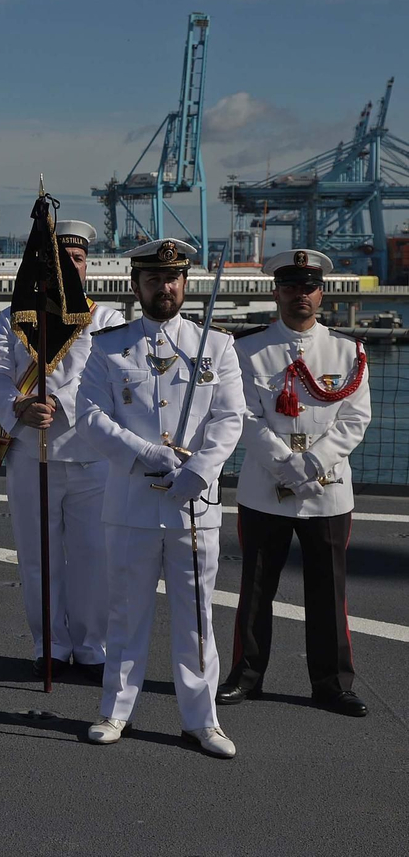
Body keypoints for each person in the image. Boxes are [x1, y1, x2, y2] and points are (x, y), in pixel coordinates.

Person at [76, 238, 245, 758]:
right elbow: (89, 417)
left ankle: (202, 719)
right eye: (153, 279)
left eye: (172, 279)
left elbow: (229, 418)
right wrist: (146, 452)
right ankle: (114, 710)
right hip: (131, 502)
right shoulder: (106, 347)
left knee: (196, 616)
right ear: (136, 286)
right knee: (125, 613)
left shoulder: (215, 345)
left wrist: (200, 470)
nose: (163, 287)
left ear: (185, 285)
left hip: (194, 504)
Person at [219, 249, 372, 718]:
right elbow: (241, 415)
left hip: (327, 489)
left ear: (321, 292)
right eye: (289, 286)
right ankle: (247, 676)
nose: (299, 296)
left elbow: (355, 418)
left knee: (329, 592)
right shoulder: (244, 349)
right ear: (276, 291)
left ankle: (332, 684)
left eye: (307, 287)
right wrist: (284, 463)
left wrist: (311, 463)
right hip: (267, 486)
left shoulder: (349, 350)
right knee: (257, 586)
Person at [0, 219, 125, 680]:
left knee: (93, 559)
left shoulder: (107, 319)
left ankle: (91, 644)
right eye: (63, 260)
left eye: (79, 260)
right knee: (38, 556)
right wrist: (16, 405)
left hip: (91, 454)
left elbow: (115, 378)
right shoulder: (15, 316)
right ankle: (51, 644)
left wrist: (64, 401)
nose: (72, 267)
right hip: (30, 451)